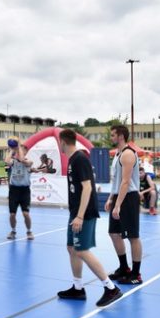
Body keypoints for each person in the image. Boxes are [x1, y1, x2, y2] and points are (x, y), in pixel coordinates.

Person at [56, 129, 123, 307]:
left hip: (83, 214)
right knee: (72, 248)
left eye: (59, 142)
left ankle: (110, 288)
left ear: (62, 142)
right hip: (75, 212)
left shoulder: (80, 159)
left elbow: (87, 188)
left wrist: (79, 216)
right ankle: (78, 288)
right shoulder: (73, 160)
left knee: (81, 250)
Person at [105, 125, 143, 285]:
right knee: (114, 233)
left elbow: (126, 182)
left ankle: (136, 273)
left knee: (133, 236)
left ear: (121, 136)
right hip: (118, 196)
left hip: (129, 198)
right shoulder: (117, 154)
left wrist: (118, 205)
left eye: (113, 135)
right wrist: (110, 198)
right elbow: (117, 180)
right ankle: (124, 267)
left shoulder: (128, 154)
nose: (111, 137)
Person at [4, 138, 34, 240]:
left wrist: (19, 145)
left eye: (22, 149)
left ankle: (29, 231)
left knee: (26, 214)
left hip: (24, 191)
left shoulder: (29, 162)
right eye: (19, 149)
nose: (20, 151)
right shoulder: (13, 161)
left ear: (25, 152)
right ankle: (13, 231)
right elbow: (7, 161)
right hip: (14, 190)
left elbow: (22, 159)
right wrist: (12, 149)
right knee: (12, 214)